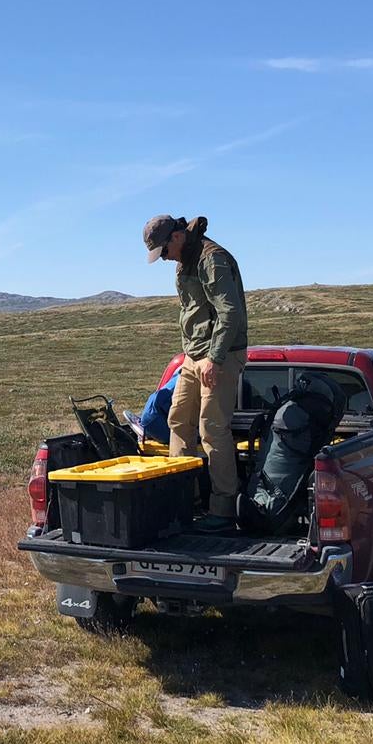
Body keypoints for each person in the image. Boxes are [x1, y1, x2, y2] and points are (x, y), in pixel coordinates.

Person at [142, 214, 249, 517]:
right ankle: (181, 501)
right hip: (193, 356)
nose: (163, 258)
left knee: (212, 429)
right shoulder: (183, 262)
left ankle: (223, 509)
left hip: (220, 356)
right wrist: (193, 355)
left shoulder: (211, 259)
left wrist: (214, 359)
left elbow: (230, 315)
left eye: (163, 251)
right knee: (178, 421)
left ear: (176, 237)